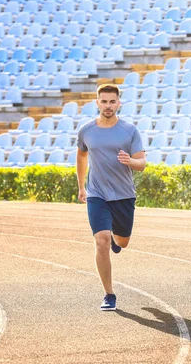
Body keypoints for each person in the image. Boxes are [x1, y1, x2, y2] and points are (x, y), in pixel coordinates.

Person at [76, 84, 146, 311]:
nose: (108, 106)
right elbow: (82, 155)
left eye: (112, 101)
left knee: (122, 241)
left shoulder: (129, 131)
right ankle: (109, 294)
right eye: (103, 101)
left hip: (123, 195)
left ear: (118, 103)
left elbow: (142, 164)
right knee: (101, 241)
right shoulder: (86, 130)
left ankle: (119, 240)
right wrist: (81, 187)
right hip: (97, 194)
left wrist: (130, 162)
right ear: (97, 103)